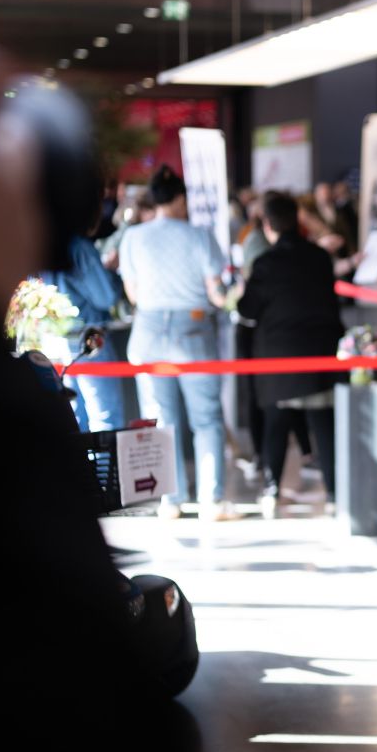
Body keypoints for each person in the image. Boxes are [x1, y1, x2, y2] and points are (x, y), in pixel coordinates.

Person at [119, 163, 238, 520]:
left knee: (160, 419)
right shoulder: (199, 236)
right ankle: (211, 501)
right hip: (194, 331)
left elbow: (134, 294)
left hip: (149, 332)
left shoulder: (133, 237)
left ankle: (170, 501)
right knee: (206, 418)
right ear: (180, 199)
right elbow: (217, 294)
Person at [238, 191, 345, 517]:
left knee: (276, 423)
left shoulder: (265, 264)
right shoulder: (319, 257)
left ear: (267, 224)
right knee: (323, 423)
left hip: (278, 358)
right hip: (319, 353)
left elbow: (247, 309)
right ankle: (335, 494)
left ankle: (272, 490)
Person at [41, 233, 127, 431]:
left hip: (51, 338)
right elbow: (106, 296)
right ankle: (100, 463)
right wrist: (112, 273)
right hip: (88, 341)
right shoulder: (79, 246)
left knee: (74, 419)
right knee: (106, 421)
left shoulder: (39, 236)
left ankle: (83, 463)